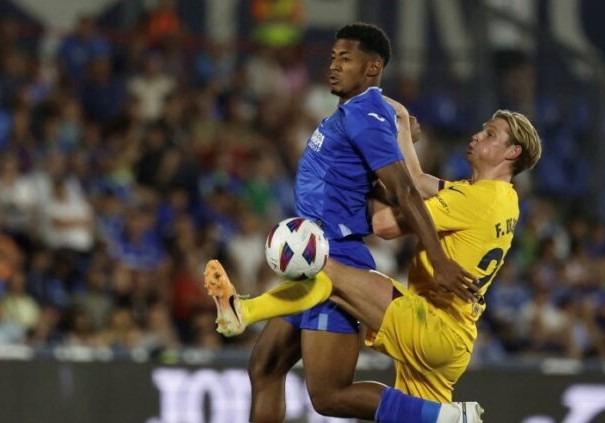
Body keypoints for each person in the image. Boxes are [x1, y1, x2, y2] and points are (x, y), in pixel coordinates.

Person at [206, 22, 479, 423]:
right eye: (333, 57)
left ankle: (447, 419)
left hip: (335, 259)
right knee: (264, 367)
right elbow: (372, 181)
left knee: (329, 395)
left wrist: (438, 259)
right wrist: (403, 132)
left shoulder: (366, 115)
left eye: (345, 59)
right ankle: (242, 310)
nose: (333, 66)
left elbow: (404, 191)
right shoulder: (357, 113)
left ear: (372, 68)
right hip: (313, 259)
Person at [206, 108, 542, 418]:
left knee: (322, 266)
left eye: (491, 135)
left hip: (432, 326)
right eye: (482, 130)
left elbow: (385, 224)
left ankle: (245, 311)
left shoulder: (476, 200)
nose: (477, 136)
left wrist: (354, 178)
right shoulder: (501, 197)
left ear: (512, 153)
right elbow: (417, 181)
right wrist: (400, 132)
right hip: (451, 341)